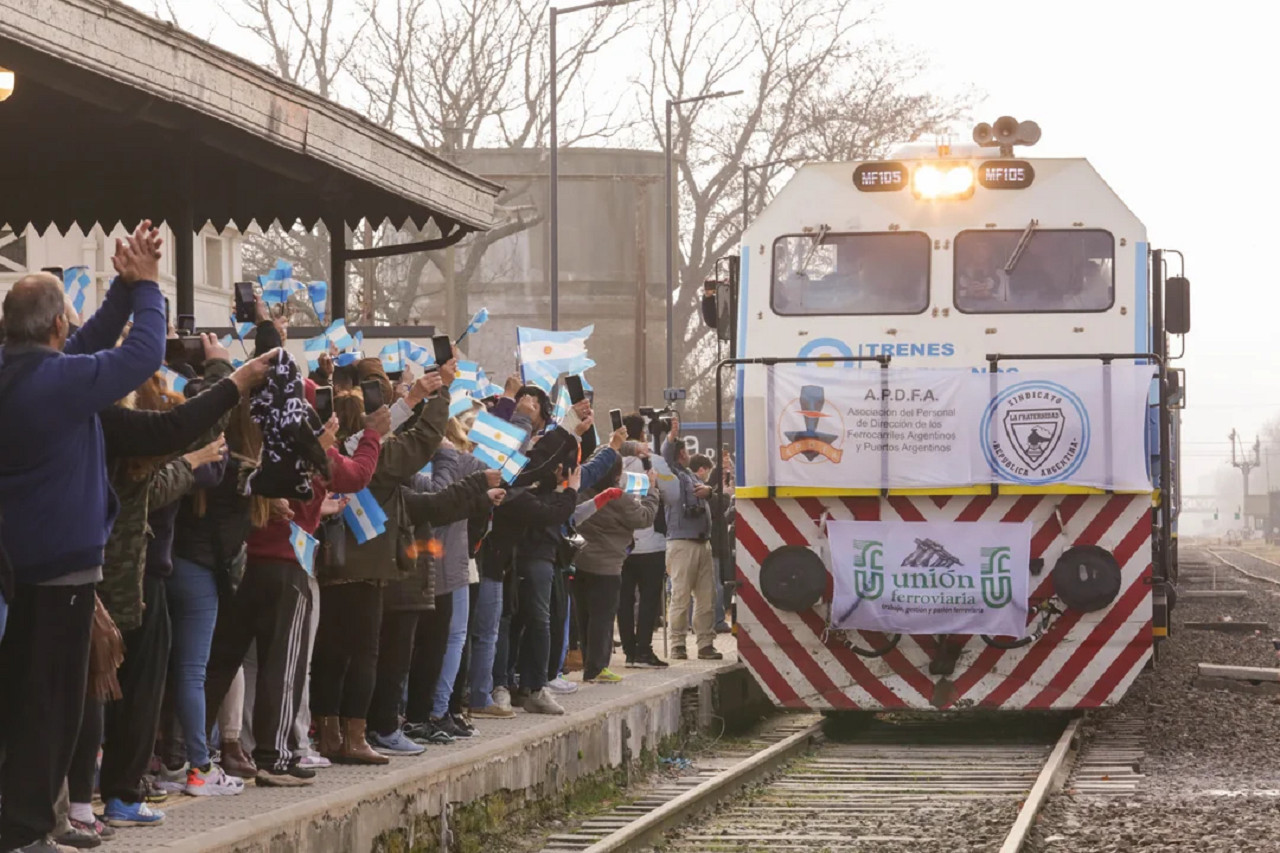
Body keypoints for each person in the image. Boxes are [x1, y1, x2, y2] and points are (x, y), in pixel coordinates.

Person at [0, 223, 166, 853]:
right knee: (51, 708)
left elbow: (86, 345)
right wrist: (148, 288)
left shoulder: (19, 372)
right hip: (61, 574)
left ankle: (23, 820)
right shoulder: (57, 383)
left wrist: (123, 291)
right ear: (53, 329)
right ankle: (26, 830)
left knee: (21, 698)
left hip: (19, 568)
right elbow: (139, 355)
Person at [310, 365, 449, 766]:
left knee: (331, 653)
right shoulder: (380, 458)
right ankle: (355, 736)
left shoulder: (327, 453)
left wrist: (411, 399)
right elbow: (424, 440)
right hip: (367, 568)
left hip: (329, 565)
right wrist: (438, 396)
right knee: (365, 653)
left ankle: (329, 733)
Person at [575, 458, 659, 683]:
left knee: (585, 617)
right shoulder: (617, 496)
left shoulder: (581, 490)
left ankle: (588, 664)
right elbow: (645, 517)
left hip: (580, 560)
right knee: (602, 618)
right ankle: (597, 668)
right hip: (607, 566)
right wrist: (652, 491)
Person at [617, 413, 677, 669]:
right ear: (643, 435)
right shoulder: (656, 462)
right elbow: (673, 495)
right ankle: (644, 649)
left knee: (624, 599)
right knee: (650, 598)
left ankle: (629, 652)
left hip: (619, 541)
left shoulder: (612, 461)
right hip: (651, 541)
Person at [662, 419, 722, 662]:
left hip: (702, 542)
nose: (688, 455)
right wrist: (671, 437)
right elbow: (665, 458)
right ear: (680, 454)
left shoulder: (689, 476)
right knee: (680, 596)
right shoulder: (672, 474)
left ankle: (705, 643)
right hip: (681, 543)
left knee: (707, 597)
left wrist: (709, 492)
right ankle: (677, 643)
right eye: (684, 451)